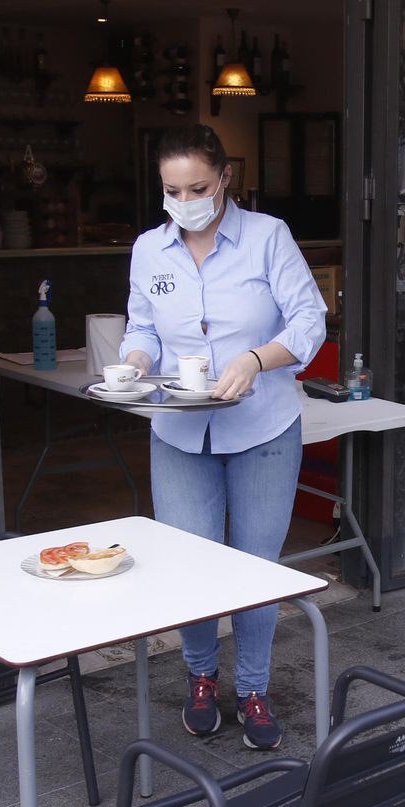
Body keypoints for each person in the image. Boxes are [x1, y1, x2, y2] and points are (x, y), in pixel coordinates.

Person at [120, 125, 327, 749]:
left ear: (225, 178)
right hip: (180, 431)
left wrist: (258, 360)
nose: (186, 201)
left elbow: (309, 319)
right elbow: (142, 327)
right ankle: (201, 678)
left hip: (263, 426)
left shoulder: (268, 238)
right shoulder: (149, 251)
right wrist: (133, 361)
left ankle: (257, 687)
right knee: (191, 566)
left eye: (198, 187)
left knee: (255, 567)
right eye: (172, 190)